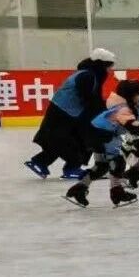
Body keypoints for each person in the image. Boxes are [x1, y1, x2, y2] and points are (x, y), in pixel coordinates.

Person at [64, 79, 139, 207]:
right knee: (118, 161)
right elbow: (132, 125)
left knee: (101, 166)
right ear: (131, 95)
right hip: (104, 136)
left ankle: (79, 189)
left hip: (94, 135)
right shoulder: (123, 109)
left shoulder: (118, 106)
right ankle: (117, 192)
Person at [25, 48, 116, 180]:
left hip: (67, 113)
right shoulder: (88, 76)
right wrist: (103, 115)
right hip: (62, 114)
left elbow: (92, 99)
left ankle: (40, 162)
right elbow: (90, 100)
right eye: (109, 66)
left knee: (70, 141)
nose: (110, 70)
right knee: (72, 142)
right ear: (102, 65)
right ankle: (71, 168)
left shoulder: (89, 74)